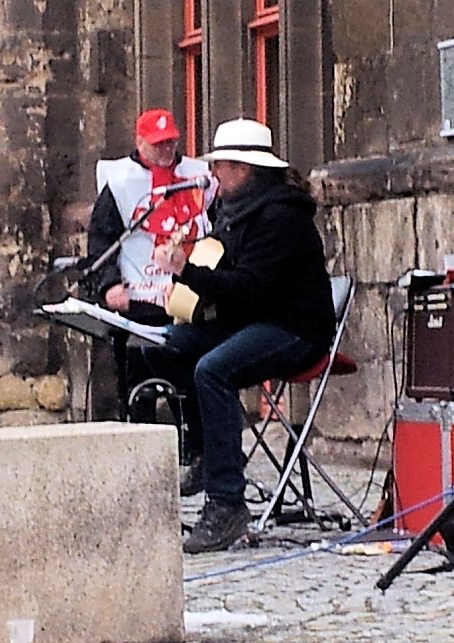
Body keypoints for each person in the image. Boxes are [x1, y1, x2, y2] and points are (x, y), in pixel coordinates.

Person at [143, 118, 336, 554]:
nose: (214, 173)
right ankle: (205, 454)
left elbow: (250, 288)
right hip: (251, 319)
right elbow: (231, 281)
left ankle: (227, 503)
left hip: (294, 328)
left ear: (244, 169)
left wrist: (185, 271)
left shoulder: (281, 217)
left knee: (213, 370)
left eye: (221, 166)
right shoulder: (233, 212)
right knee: (167, 346)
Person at [85, 108, 215, 486]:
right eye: (158, 144)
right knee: (138, 369)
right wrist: (109, 285)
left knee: (194, 368)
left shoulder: (198, 176)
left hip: (190, 292)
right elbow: (102, 239)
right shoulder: (121, 182)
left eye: (171, 142)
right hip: (139, 294)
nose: (166, 150)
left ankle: (200, 450)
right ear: (140, 143)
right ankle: (140, 453)